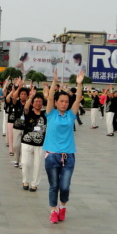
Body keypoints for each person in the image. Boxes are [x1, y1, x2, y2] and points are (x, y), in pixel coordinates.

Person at [44, 68, 84, 224]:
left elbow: (78, 99)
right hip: (52, 156)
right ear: (56, 102)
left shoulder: (70, 115)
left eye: (66, 102)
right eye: (61, 101)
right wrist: (54, 81)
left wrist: (79, 84)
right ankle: (53, 211)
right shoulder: (51, 113)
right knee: (54, 185)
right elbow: (49, 97)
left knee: (65, 186)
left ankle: (63, 207)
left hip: (68, 156)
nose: (64, 104)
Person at [21, 87, 46, 192]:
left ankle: (34, 184)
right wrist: (31, 97)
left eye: (40, 101)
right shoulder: (29, 113)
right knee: (25, 163)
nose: (38, 103)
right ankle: (25, 181)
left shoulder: (45, 115)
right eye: (36, 101)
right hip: (27, 142)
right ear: (32, 103)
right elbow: (26, 107)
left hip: (40, 144)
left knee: (38, 164)